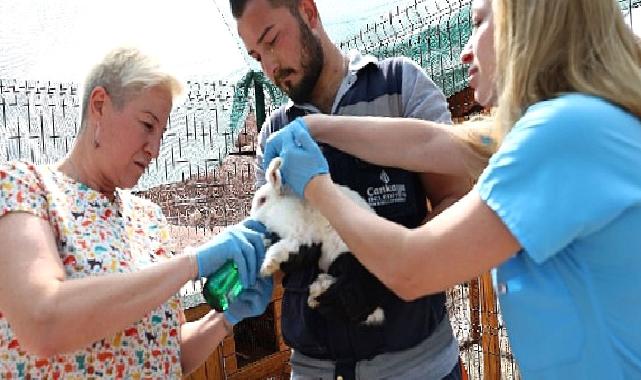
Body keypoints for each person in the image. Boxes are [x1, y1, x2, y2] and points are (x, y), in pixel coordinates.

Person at [263, 0, 641, 378]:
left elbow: (414, 269)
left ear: (529, 25)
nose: (465, 50)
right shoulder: (582, 119)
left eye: (479, 23)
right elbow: (428, 144)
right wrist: (317, 128)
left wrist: (316, 185)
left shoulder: (560, 134)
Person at [230, 0, 474, 378]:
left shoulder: (399, 85)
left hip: (419, 366)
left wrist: (397, 266)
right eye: (257, 56)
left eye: (273, 40)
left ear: (309, 13)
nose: (270, 67)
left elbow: (457, 199)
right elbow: (273, 243)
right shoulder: (274, 133)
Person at [0, 47, 271, 378]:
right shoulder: (25, 188)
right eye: (147, 125)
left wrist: (226, 317)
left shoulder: (148, 218)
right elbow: (42, 322)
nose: (155, 149)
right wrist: (191, 263)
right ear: (99, 106)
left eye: (161, 134)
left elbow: (170, 354)